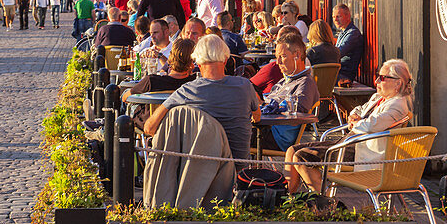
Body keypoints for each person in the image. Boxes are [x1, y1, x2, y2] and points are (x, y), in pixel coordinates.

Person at [287, 58, 414, 194]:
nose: (376, 81)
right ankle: (288, 199)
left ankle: (325, 203)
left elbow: (372, 126)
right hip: (348, 143)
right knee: (292, 150)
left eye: (382, 78)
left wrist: (356, 123)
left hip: (359, 153)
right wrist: (354, 117)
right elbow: (359, 109)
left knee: (302, 157)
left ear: (398, 83)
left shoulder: (397, 105)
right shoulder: (378, 97)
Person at [143, 34, 261, 164]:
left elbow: (149, 128)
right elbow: (257, 117)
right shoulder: (245, 86)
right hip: (238, 168)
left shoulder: (187, 91)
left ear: (198, 63)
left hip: (200, 173)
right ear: (226, 60)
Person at [256, 30, 319, 151]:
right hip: (263, 128)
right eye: (276, 57)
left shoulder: (305, 83)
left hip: (275, 136)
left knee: (231, 133)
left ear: (297, 55)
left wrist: (268, 106)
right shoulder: (284, 81)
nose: (278, 62)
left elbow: (298, 109)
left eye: (283, 56)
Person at [122, 37, 195, 130]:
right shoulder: (194, 83)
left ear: (171, 57)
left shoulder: (152, 81)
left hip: (150, 123)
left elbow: (126, 98)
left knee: (124, 95)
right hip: (181, 126)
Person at [332, 3, 365, 83]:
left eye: (338, 16)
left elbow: (338, 54)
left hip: (344, 76)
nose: (335, 20)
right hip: (337, 72)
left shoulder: (353, 33)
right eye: (333, 17)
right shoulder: (342, 32)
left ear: (348, 16)